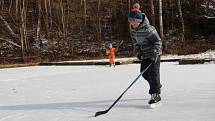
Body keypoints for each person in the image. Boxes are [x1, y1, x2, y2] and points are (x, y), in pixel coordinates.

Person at [128, 3, 162, 105]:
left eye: (134, 22)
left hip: (154, 54)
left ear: (139, 20)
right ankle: (157, 85)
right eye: (131, 21)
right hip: (144, 55)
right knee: (144, 73)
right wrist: (138, 52)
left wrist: (155, 53)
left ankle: (155, 94)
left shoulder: (149, 29)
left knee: (153, 73)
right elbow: (135, 43)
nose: (133, 24)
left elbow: (158, 41)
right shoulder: (133, 30)